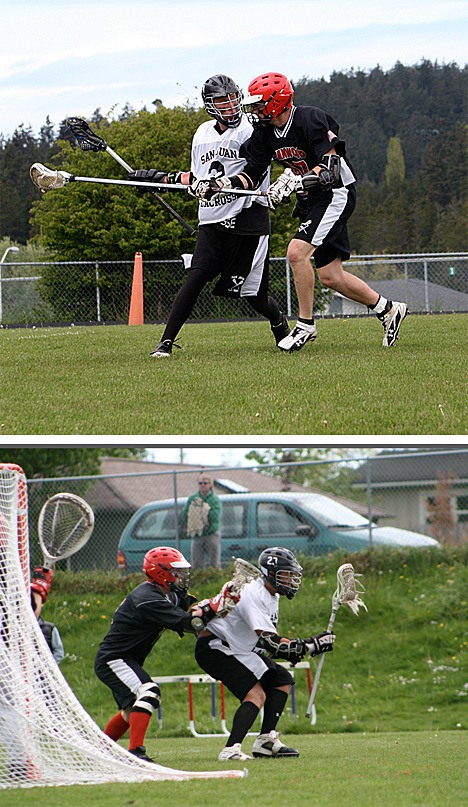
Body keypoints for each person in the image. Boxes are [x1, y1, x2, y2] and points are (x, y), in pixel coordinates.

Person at [191, 71, 408, 351]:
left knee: (296, 252)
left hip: (335, 193)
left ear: (276, 102)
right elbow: (251, 174)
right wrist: (222, 184)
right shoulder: (265, 131)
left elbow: (331, 168)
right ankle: (388, 309)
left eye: (259, 104)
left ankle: (305, 325)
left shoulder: (310, 118)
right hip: (312, 199)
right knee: (331, 276)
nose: (254, 111)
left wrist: (295, 180)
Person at [129, 73, 290, 357]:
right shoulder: (202, 133)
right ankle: (165, 343)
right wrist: (159, 180)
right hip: (212, 220)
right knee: (196, 276)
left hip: (247, 217)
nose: (229, 107)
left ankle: (279, 324)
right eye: (221, 102)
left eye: (231, 100)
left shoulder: (252, 129)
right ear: (209, 105)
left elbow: (255, 171)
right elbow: (196, 177)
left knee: (253, 295)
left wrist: (222, 186)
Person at [194, 546, 335, 761]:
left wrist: (309, 645)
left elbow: (271, 644)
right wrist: (311, 645)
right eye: (286, 574)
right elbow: (273, 644)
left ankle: (265, 741)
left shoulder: (271, 595)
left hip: (238, 648)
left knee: (281, 680)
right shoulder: (253, 592)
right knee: (255, 695)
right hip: (216, 646)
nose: (290, 580)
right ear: (270, 574)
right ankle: (230, 750)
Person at [94, 546, 233, 762]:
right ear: (161, 573)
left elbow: (193, 608)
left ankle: (99, 751)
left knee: (131, 712)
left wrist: (220, 602)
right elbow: (191, 622)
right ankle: (136, 753)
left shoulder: (167, 594)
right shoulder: (147, 597)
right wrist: (214, 607)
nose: (181, 577)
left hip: (126, 658)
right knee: (149, 692)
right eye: (176, 572)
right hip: (114, 659)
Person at [183, 474, 222, 569]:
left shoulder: (214, 500)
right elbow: (186, 514)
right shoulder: (193, 499)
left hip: (211, 534)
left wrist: (203, 510)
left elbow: (215, 517)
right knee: (196, 563)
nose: (203, 485)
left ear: (210, 484)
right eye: (200, 483)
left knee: (214, 563)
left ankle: (214, 580)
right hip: (197, 534)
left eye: (205, 483)